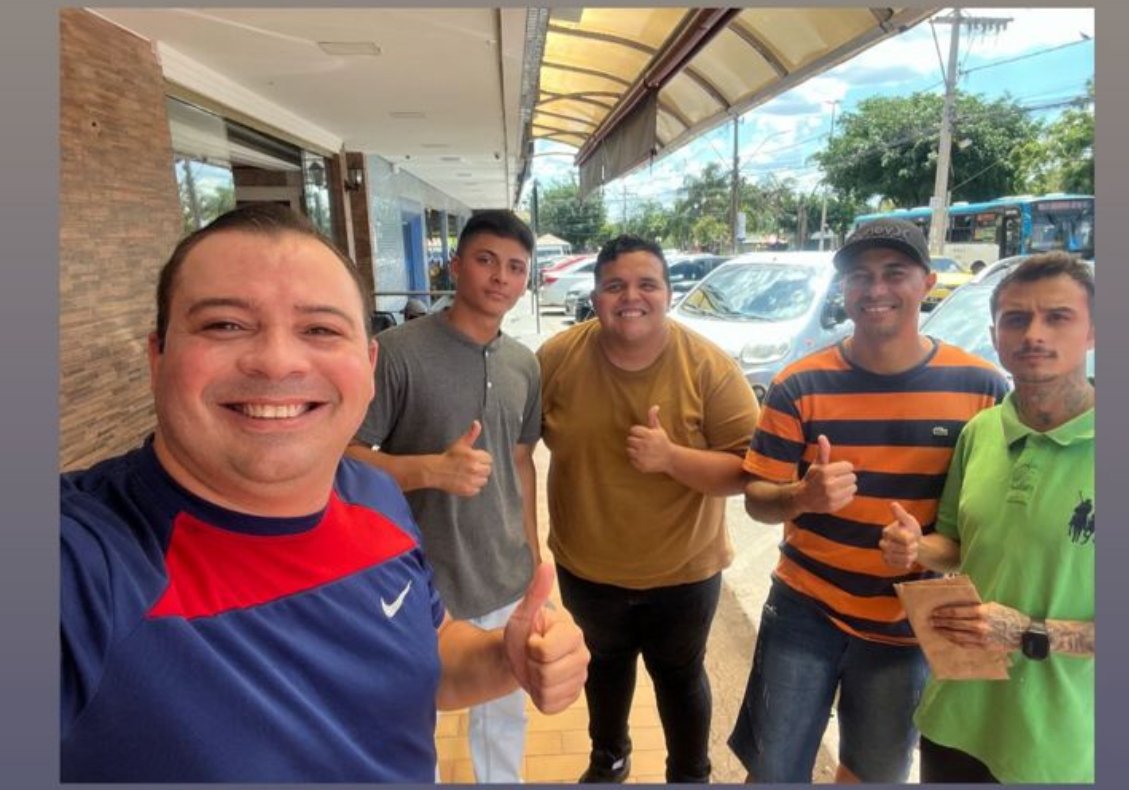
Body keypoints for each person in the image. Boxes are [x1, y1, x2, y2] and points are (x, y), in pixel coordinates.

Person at [60, 204, 589, 782]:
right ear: (157, 357)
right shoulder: (86, 564)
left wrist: (506, 657)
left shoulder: (375, 499)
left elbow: (428, 652)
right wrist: (433, 471)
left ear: (366, 363)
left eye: (319, 330)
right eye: (225, 325)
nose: (277, 362)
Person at [728, 218, 1009, 783]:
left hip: (905, 625)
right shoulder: (799, 384)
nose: (876, 288)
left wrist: (922, 551)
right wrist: (801, 495)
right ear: (844, 288)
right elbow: (757, 499)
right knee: (773, 770)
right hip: (804, 609)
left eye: (894, 273)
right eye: (860, 275)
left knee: (874, 775)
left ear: (928, 282)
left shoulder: (982, 388)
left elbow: (982, 525)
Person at [536, 234, 760, 783]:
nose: (630, 297)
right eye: (615, 285)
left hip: (683, 572)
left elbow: (749, 471)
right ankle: (608, 758)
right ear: (595, 296)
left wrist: (671, 459)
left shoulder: (708, 367)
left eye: (646, 285)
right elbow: (516, 447)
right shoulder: (557, 359)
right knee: (604, 669)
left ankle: (690, 774)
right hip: (587, 568)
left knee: (680, 677)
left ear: (668, 292)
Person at [880, 252, 1095, 783]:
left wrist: (1031, 632)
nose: (1034, 334)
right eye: (1016, 319)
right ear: (995, 335)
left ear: (1094, 332)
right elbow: (955, 544)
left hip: (1061, 748)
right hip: (954, 720)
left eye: (1058, 317)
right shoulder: (980, 431)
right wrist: (917, 547)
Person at [346, 209, 541, 782]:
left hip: (503, 571)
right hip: (417, 578)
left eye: (515, 267)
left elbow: (522, 462)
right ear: (454, 266)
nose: (500, 277)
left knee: (503, 712)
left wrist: (533, 552)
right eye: (486, 260)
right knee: (413, 718)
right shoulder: (396, 352)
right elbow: (340, 458)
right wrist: (430, 469)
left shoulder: (524, 364)